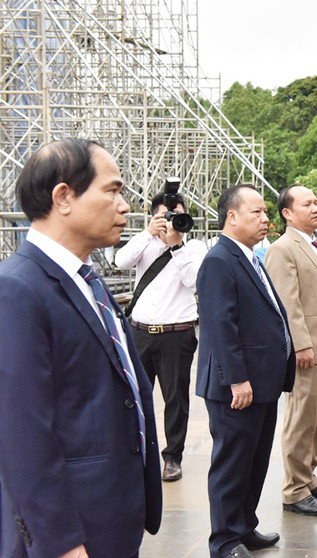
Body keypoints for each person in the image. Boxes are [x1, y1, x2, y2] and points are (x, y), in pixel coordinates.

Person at [0, 139, 162, 557]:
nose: (125, 205)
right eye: (112, 190)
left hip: (113, 517)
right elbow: (22, 435)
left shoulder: (86, 280)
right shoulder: (17, 289)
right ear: (64, 196)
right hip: (72, 533)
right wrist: (61, 543)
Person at [196, 184, 295, 558]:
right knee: (232, 463)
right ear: (231, 216)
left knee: (254, 460)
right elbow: (221, 325)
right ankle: (224, 540)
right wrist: (237, 379)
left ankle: (244, 526)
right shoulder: (220, 261)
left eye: (265, 211)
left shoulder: (250, 257)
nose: (266, 218)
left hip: (261, 383)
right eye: (256, 212)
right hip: (236, 386)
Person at [265, 185, 317, 517]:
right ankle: (294, 489)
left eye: (316, 201)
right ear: (287, 212)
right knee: (301, 419)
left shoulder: (315, 244)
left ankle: (307, 478)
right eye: (307, 203)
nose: (316, 207)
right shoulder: (283, 248)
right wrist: (301, 345)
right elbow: (288, 304)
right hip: (308, 350)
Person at [115, 190, 207, 482]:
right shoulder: (144, 244)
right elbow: (121, 261)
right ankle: (135, 452)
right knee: (134, 397)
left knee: (175, 399)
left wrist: (176, 246)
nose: (171, 221)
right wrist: (148, 233)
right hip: (140, 332)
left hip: (176, 335)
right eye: (165, 216)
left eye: (177, 215)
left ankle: (173, 458)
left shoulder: (194, 248)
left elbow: (194, 282)